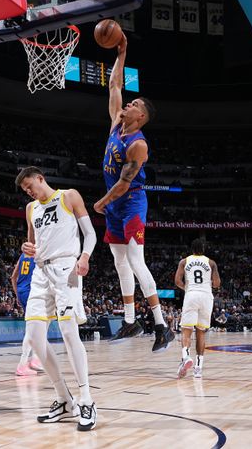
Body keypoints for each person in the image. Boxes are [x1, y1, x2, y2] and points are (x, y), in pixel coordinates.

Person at [92, 35, 172, 353]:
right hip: (115, 207)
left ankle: (161, 326)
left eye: (135, 105)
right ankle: (130, 321)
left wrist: (102, 202)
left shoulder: (138, 143)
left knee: (137, 262)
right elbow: (114, 85)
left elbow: (124, 184)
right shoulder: (115, 124)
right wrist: (122, 52)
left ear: (141, 118)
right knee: (119, 262)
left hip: (131, 202)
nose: (129, 103)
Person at [15, 166, 97, 431]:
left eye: (30, 186)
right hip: (40, 272)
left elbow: (91, 234)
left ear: (41, 178)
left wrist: (84, 257)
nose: (29, 191)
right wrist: (26, 248)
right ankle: (64, 398)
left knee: (68, 332)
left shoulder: (68, 196)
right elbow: (31, 245)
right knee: (35, 338)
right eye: (25, 190)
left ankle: (86, 399)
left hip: (66, 269)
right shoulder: (31, 209)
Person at [174, 238, 220, 379]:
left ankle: (186, 356)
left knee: (186, 330)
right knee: (201, 333)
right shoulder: (211, 263)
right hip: (206, 296)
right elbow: (217, 284)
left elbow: (177, 281)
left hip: (192, 294)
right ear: (204, 249)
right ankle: (198, 368)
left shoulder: (184, 261)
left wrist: (187, 288)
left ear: (192, 249)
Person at [11, 251, 44, 376]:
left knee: (36, 325)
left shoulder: (23, 255)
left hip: (23, 291)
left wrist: (17, 295)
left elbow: (13, 277)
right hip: (33, 290)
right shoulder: (39, 253)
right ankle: (25, 363)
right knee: (36, 325)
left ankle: (34, 359)